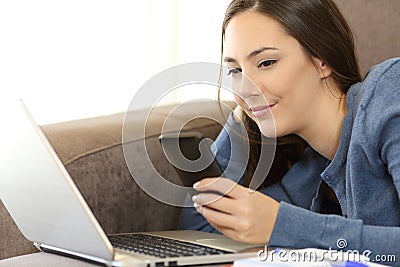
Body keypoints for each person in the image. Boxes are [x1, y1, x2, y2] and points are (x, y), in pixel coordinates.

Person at [179, 0, 400, 264]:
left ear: (322, 60)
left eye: (266, 62)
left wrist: (283, 224)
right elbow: (200, 233)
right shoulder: (311, 172)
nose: (244, 88)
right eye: (235, 71)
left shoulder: (388, 92)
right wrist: (243, 118)